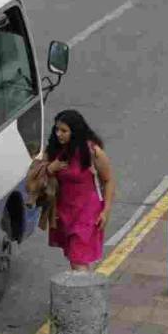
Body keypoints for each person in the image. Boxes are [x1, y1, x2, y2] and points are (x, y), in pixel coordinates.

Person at [45, 109, 115, 271]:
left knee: (78, 259)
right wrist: (50, 168)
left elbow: (109, 180)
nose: (59, 134)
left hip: (87, 212)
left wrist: (106, 210)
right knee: (74, 257)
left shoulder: (93, 152)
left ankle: (84, 295)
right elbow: (38, 175)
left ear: (75, 131)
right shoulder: (55, 151)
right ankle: (85, 293)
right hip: (64, 211)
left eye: (64, 131)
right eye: (57, 130)